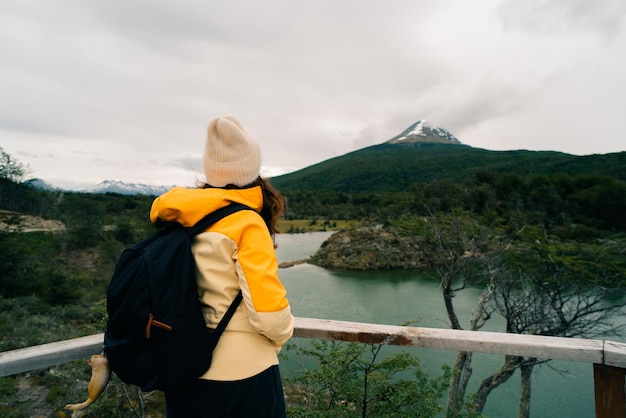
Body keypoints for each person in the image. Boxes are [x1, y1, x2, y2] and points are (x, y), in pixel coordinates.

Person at [150, 115, 295, 417]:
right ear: (252, 169)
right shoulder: (247, 223)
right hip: (242, 374)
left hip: (181, 366)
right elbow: (270, 316)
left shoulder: (175, 216)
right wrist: (282, 335)